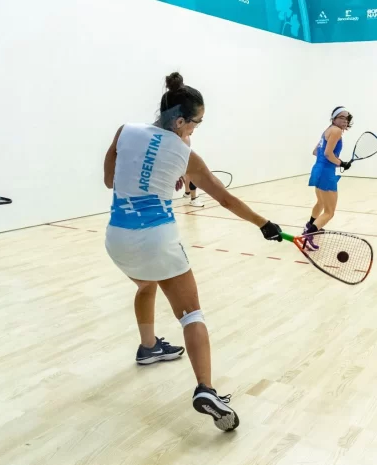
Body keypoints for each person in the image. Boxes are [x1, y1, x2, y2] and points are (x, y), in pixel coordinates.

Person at [102, 72, 283, 432]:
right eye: (196, 123)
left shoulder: (125, 131)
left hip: (116, 239)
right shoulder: (184, 153)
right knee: (190, 314)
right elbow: (226, 198)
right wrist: (264, 224)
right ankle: (207, 390)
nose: (195, 130)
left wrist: (160, 173)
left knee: (145, 285)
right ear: (180, 120)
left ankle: (149, 346)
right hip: (156, 240)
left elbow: (111, 180)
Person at [303, 106, 353, 250]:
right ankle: (309, 234)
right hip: (326, 173)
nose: (345, 121)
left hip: (317, 170)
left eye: (347, 118)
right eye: (341, 117)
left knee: (320, 202)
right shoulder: (336, 131)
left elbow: (315, 152)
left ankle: (310, 225)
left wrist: (336, 162)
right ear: (334, 118)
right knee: (329, 212)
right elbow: (327, 154)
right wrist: (341, 163)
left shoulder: (327, 130)